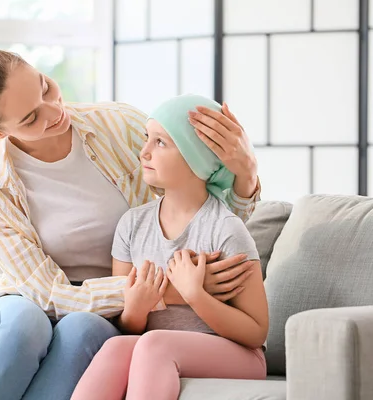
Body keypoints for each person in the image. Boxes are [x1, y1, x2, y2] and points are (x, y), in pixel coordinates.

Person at [0, 49, 262, 400]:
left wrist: (245, 173)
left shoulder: (122, 126)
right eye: (30, 118)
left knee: (82, 329)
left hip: (116, 307)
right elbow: (50, 295)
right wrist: (165, 289)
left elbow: (203, 217)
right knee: (22, 327)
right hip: (28, 301)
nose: (55, 112)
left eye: (46, 88)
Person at [71, 94, 268, 400]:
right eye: (146, 139)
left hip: (241, 355)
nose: (144, 152)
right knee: (115, 346)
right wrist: (135, 308)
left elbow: (256, 332)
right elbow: (128, 326)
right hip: (163, 347)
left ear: (197, 157)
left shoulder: (226, 227)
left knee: (155, 344)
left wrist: (195, 295)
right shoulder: (132, 225)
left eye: (160, 142)